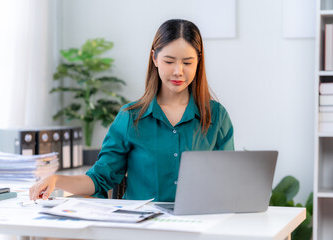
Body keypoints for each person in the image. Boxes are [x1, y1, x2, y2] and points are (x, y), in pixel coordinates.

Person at [29, 19, 234, 202]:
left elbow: (228, 181)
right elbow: (100, 178)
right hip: (142, 229)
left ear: (198, 61)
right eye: (169, 61)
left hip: (199, 226)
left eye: (187, 62)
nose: (178, 71)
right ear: (154, 58)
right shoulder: (130, 118)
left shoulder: (216, 117)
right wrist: (56, 179)